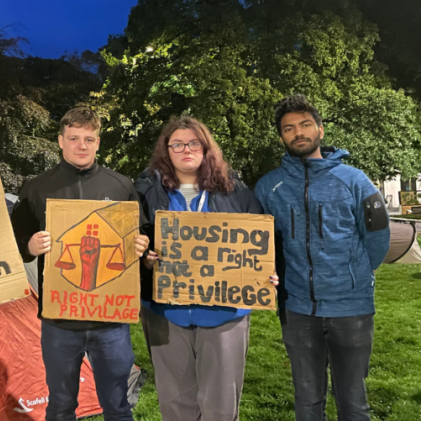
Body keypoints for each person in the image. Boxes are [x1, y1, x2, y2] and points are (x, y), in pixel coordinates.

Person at [255, 95, 390, 421]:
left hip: (351, 309)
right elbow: (257, 244)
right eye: (289, 128)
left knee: (354, 402)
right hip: (298, 310)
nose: (298, 132)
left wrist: (354, 274)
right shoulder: (268, 187)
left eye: (304, 125)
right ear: (282, 136)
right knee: (307, 401)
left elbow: (378, 238)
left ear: (320, 129)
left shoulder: (355, 181)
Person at [10, 106, 149, 421]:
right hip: (60, 320)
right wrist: (29, 246)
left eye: (89, 138)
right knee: (60, 405)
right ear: (60, 141)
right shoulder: (37, 187)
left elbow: (137, 236)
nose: (81, 145)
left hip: (110, 320)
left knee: (117, 404)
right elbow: (14, 245)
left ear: (98, 142)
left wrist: (141, 244)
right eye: (74, 138)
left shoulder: (121, 185)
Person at [136, 116, 279, 421]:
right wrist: (144, 260)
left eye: (193, 143)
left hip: (224, 312)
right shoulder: (144, 191)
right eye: (177, 144)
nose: (185, 149)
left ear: (205, 148)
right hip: (165, 312)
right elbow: (130, 244)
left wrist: (267, 270)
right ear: (166, 149)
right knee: (175, 405)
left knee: (220, 407)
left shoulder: (235, 190)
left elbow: (261, 242)